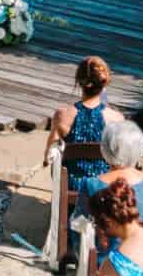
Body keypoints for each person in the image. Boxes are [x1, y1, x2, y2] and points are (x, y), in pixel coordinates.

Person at [76, 115, 143, 233]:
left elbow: (78, 228)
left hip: (107, 244)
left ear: (104, 150)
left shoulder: (92, 185)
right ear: (140, 150)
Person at [42, 56, 115, 187]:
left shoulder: (62, 115)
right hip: (103, 186)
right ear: (104, 83)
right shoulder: (116, 118)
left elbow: (50, 149)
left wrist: (46, 159)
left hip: (71, 183)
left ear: (79, 81)